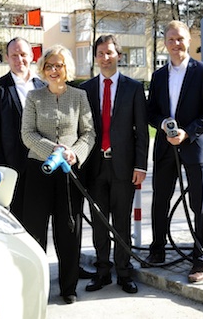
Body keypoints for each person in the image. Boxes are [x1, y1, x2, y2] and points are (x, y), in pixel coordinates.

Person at [146, 20, 203, 283]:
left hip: (194, 147)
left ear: (189, 40)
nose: (176, 44)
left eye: (180, 39)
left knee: (198, 204)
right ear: (164, 43)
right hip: (165, 147)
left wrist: (187, 132)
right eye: (171, 39)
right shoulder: (157, 76)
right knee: (160, 200)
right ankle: (157, 250)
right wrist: (164, 125)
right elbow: (151, 112)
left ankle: (201, 259)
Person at [21, 45, 95, 304]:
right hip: (39, 170)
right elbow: (27, 134)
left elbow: (88, 133)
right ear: (43, 68)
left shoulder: (79, 96)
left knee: (69, 229)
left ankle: (68, 287)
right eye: (50, 65)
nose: (54, 70)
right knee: (35, 230)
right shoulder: (33, 97)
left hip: (68, 173)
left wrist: (74, 153)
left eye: (59, 65)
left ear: (67, 69)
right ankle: (36, 287)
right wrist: (53, 150)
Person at [80, 35, 149, 294]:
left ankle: (124, 272)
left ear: (119, 55)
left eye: (109, 52)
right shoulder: (85, 89)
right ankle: (102, 272)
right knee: (99, 223)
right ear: (95, 57)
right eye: (100, 53)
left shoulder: (133, 88)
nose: (105, 57)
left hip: (124, 168)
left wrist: (140, 166)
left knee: (122, 222)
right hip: (95, 168)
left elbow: (141, 131)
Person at [0, 37, 46, 221]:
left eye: (23, 54)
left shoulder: (43, 86)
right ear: (7, 58)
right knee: (17, 220)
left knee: (40, 220)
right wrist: (0, 171)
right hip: (14, 169)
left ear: (32, 56)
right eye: (14, 56)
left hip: (42, 166)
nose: (19, 60)